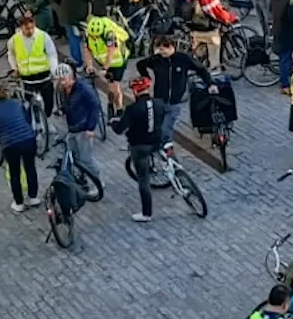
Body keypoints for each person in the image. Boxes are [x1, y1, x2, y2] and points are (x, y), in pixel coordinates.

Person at [136, 35, 205, 147]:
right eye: (160, 49)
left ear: (172, 47)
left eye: (165, 48)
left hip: (175, 101)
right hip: (159, 100)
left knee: (166, 128)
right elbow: (140, 65)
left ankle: (168, 150)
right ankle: (163, 147)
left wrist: (210, 83)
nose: (163, 52)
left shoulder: (183, 59)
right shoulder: (156, 60)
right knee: (158, 126)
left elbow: (201, 69)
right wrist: (147, 76)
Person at [0, 84, 39, 211]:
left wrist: (0, 141)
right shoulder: (17, 103)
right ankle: (33, 197)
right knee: (30, 167)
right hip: (28, 140)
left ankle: (19, 203)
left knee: (15, 173)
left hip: (10, 145)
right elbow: (27, 119)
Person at [117, 75, 160, 222]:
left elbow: (119, 129)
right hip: (156, 142)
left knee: (143, 180)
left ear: (135, 92)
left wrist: (113, 123)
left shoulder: (132, 109)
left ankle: (146, 213)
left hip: (140, 147)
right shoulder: (159, 104)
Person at [57, 64, 103, 191]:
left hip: (83, 128)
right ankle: (83, 180)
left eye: (63, 80)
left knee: (86, 159)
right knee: (76, 156)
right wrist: (62, 110)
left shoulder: (84, 89)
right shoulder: (65, 89)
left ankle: (97, 183)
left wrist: (91, 128)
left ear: (72, 78)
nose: (61, 83)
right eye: (59, 80)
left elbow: (94, 107)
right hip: (73, 127)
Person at [7, 11, 59, 114]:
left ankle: (47, 119)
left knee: (49, 102)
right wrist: (15, 68)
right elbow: (11, 54)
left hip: (44, 77)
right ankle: (36, 122)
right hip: (27, 79)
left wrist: (54, 71)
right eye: (27, 29)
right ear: (21, 28)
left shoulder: (43, 36)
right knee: (29, 102)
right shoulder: (14, 40)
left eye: (32, 28)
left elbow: (52, 55)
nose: (30, 31)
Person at [187, 0, 238, 71]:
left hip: (195, 30)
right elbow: (220, 15)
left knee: (198, 53)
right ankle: (215, 74)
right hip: (208, 31)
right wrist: (231, 18)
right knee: (214, 56)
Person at [82, 12, 131, 113]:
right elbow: (87, 50)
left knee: (115, 87)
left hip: (118, 62)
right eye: (93, 36)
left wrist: (105, 68)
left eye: (97, 36)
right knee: (110, 86)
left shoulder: (109, 34)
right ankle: (110, 103)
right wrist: (89, 65)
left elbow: (111, 52)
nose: (94, 38)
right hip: (104, 61)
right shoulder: (88, 33)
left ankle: (119, 109)